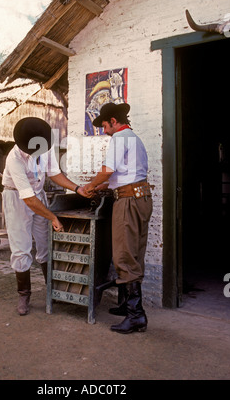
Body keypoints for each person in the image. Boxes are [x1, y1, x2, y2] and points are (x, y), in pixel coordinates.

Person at [2, 117, 85, 316]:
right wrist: (53, 217)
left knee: (45, 244)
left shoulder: (45, 147)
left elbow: (54, 173)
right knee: (21, 247)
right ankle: (24, 294)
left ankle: (52, 290)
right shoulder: (14, 158)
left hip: (38, 195)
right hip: (16, 197)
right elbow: (28, 199)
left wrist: (77, 188)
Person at [83, 103, 152, 334]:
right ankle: (126, 306)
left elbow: (107, 170)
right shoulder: (135, 139)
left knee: (123, 255)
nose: (103, 130)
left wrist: (89, 185)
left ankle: (136, 316)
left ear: (113, 121)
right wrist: (102, 185)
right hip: (141, 197)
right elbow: (124, 175)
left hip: (128, 201)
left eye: (104, 125)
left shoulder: (119, 137)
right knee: (134, 253)